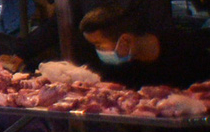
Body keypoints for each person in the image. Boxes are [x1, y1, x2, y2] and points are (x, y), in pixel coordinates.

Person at [79, 7, 210, 90]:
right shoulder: (114, 71)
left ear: (125, 40)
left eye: (99, 45)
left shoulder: (183, 48)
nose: (98, 51)